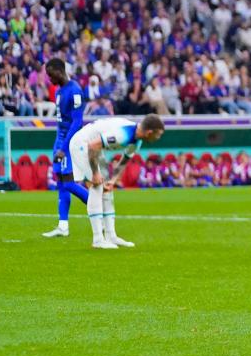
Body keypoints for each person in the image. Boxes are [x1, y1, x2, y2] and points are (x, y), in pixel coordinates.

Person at [68, 114, 165, 249]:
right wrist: (95, 174)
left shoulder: (137, 140)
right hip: (82, 144)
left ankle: (111, 236)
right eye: (158, 135)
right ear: (149, 132)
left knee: (107, 187)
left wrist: (113, 180)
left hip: (94, 147)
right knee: (97, 186)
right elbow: (92, 145)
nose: (158, 138)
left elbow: (124, 160)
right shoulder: (123, 134)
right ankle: (97, 239)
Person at [41, 58, 90, 238]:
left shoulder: (75, 91)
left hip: (70, 142)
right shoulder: (59, 91)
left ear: (59, 71)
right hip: (59, 141)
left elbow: (77, 121)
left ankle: (96, 206)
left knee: (68, 182)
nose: (49, 78)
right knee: (61, 183)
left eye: (50, 74)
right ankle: (63, 226)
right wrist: (58, 145)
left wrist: (64, 147)